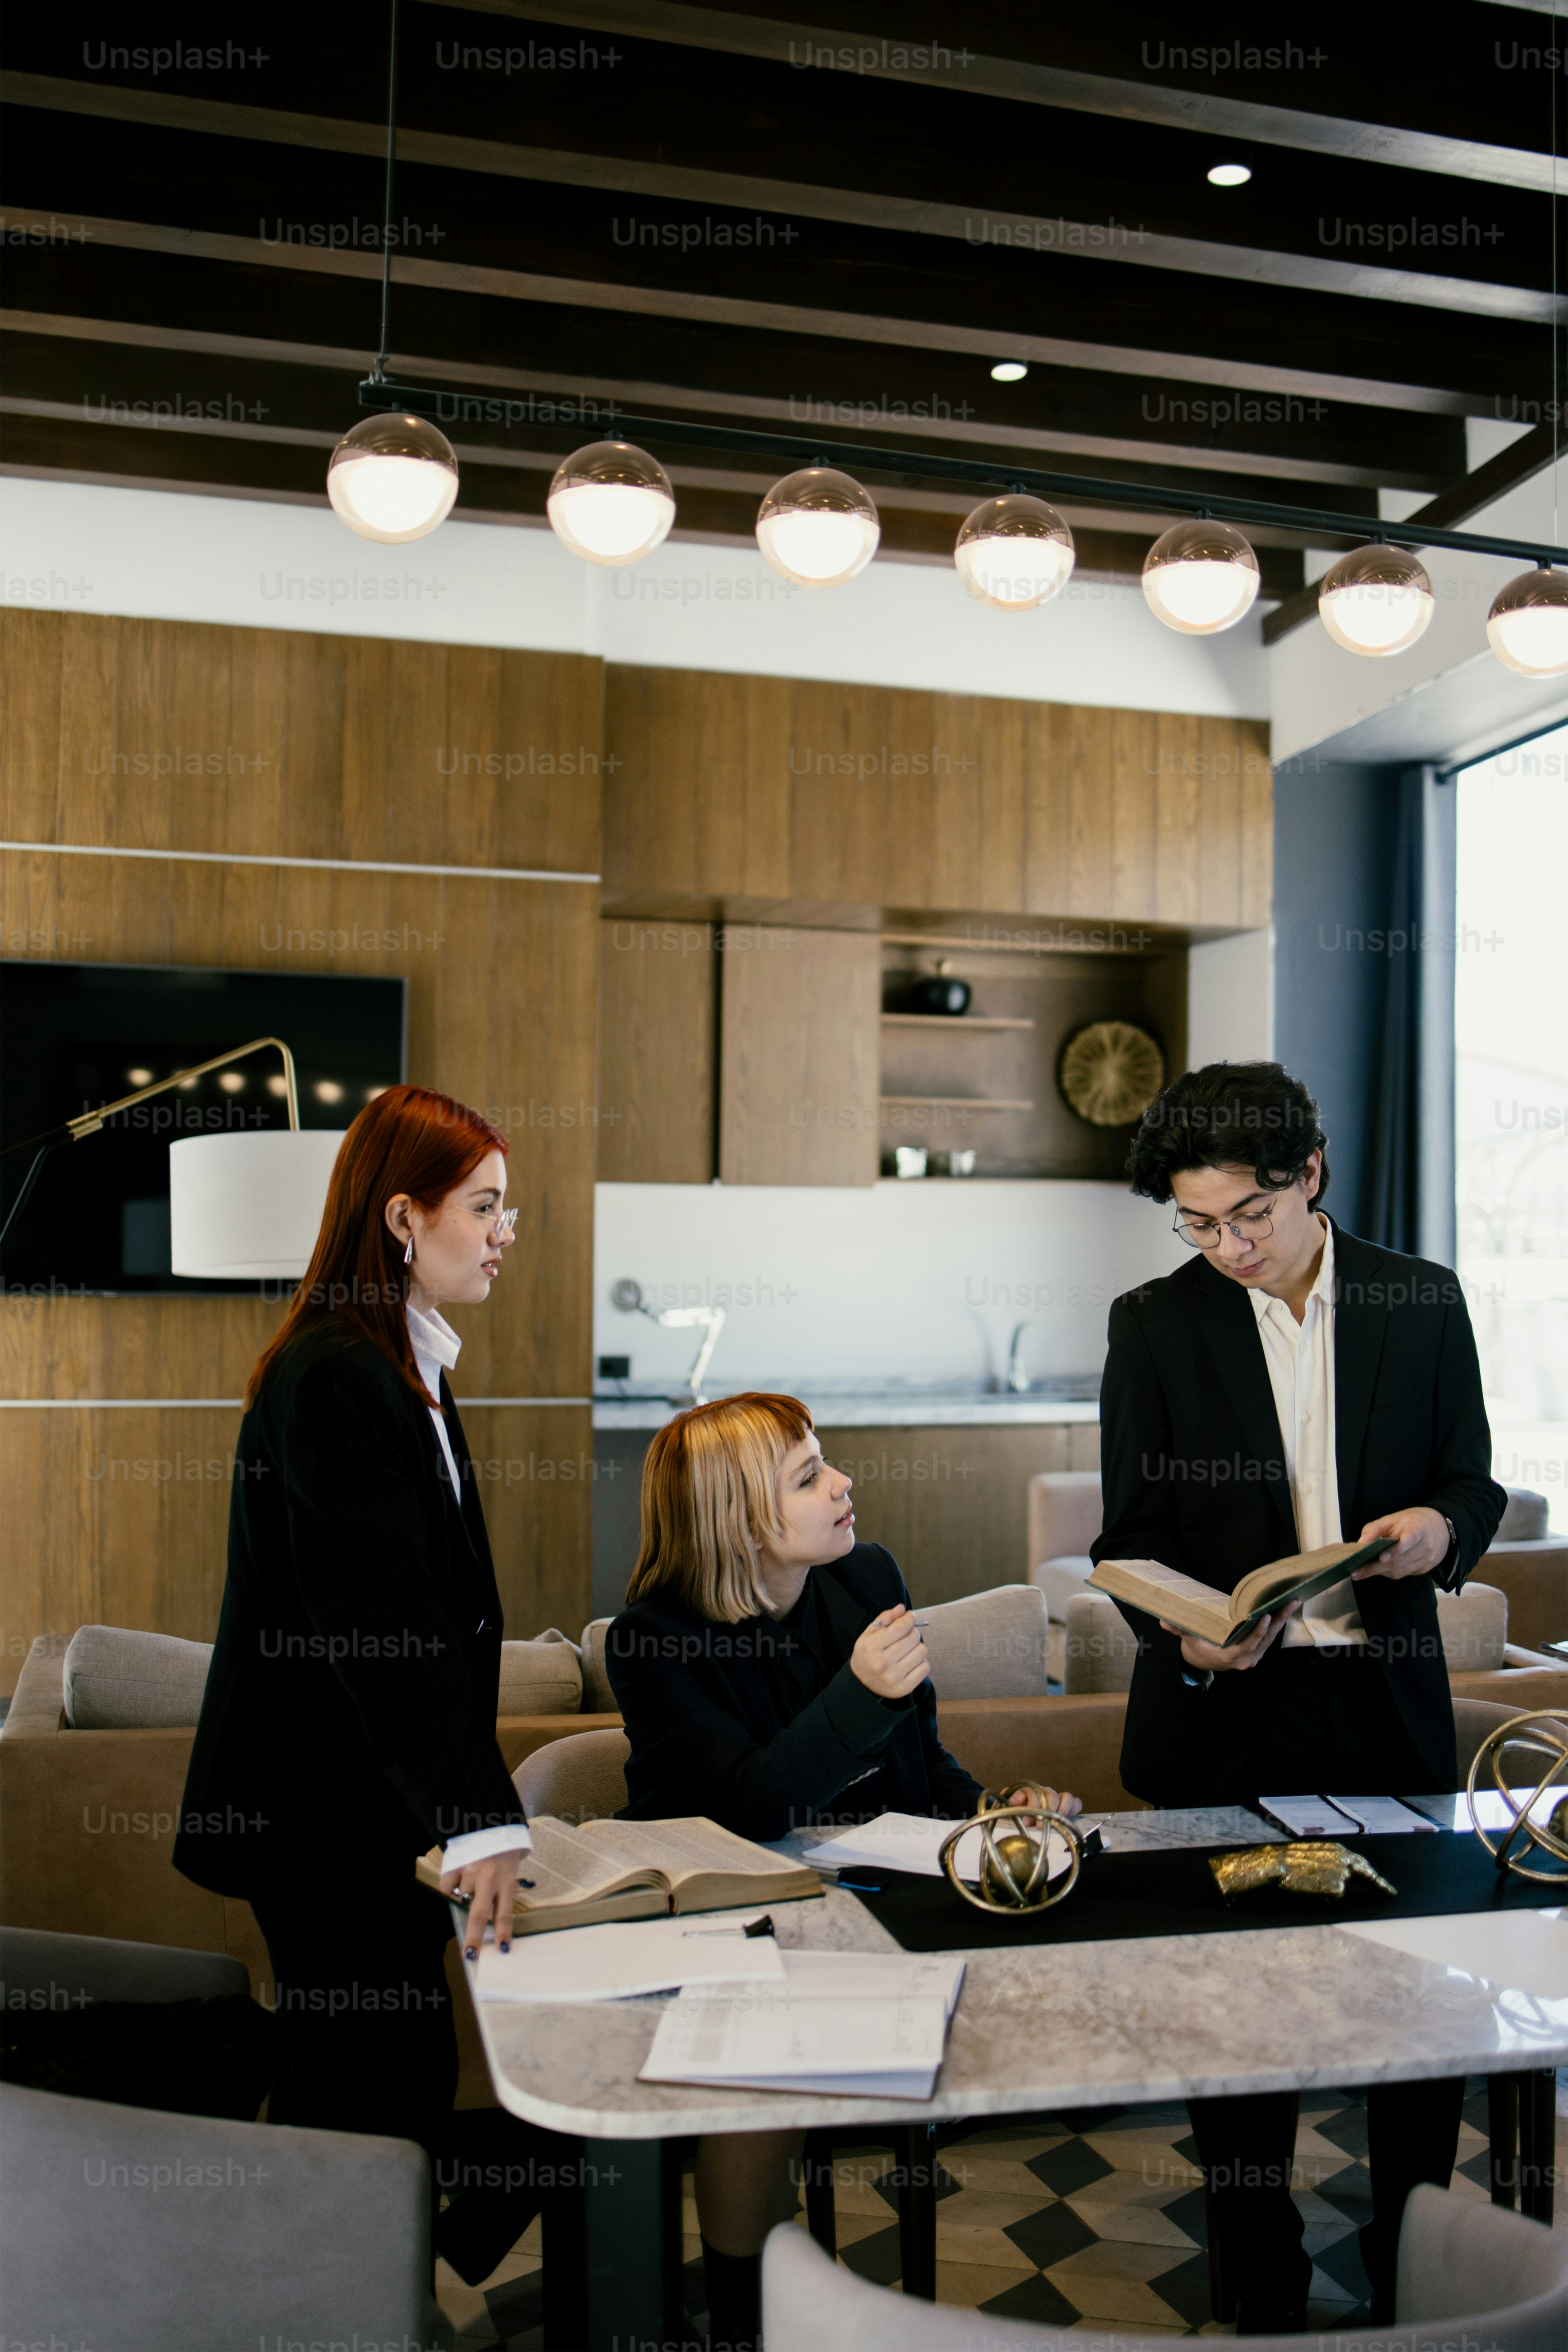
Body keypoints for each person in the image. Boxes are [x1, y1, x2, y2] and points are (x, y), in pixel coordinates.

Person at [1093, 1061, 1504, 2330]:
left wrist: (1442, 1532)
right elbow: (1133, 1538)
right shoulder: (1154, 1324)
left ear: (1309, 1176)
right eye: (1197, 1225)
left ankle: (1414, 2269)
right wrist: (1188, 1638)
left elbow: (1473, 1482)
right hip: (1229, 1713)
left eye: (1247, 1218)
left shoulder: (1418, 1299)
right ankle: (1259, 2281)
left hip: (1382, 1704)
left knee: (1414, 2010)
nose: (1226, 1248)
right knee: (1236, 2028)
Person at [608, 1391, 1083, 2352]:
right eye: (810, 1475)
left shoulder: (867, 1577)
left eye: (827, 1463)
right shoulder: (653, 1639)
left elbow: (925, 1765)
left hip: (867, 1903)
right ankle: (743, 2319)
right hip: (722, 1926)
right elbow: (749, 1810)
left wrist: (996, 1806)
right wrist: (859, 1693)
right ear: (740, 1520)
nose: (844, 1483)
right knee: (764, 2062)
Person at [175, 1084, 549, 2282]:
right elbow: (382, 1620)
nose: (504, 1229)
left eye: (507, 1207)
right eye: (484, 1206)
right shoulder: (339, 1373)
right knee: (377, 2090)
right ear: (403, 1214)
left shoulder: (407, 1362)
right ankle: (332, 2305)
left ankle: (359, 2287)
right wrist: (479, 1816)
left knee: (388, 2078)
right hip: (320, 1815)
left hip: (369, 1808)